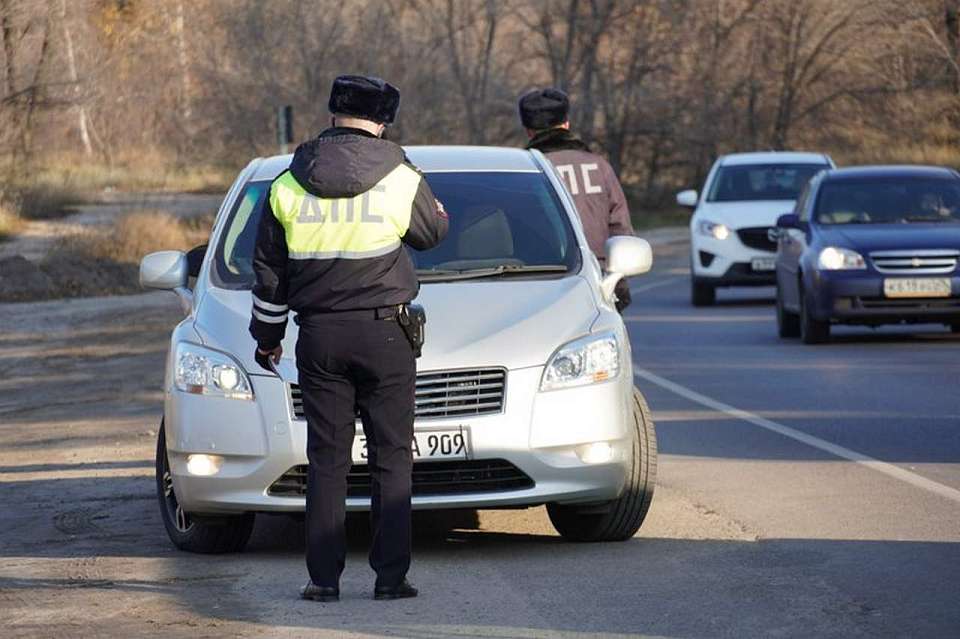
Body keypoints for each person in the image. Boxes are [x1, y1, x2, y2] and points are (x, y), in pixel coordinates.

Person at [249, 74, 448, 602]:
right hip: (386, 333)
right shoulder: (400, 176)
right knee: (391, 457)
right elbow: (433, 234)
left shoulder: (287, 183)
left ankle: (323, 580)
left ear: (333, 115)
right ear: (383, 121)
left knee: (328, 460)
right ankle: (389, 579)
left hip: (319, 337)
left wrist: (267, 337)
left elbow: (269, 273)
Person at [519, 87, 635, 311]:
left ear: (529, 131)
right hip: (598, 283)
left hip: (539, 286)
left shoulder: (525, 173)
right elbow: (621, 230)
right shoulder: (599, 166)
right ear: (566, 124)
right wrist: (618, 281)